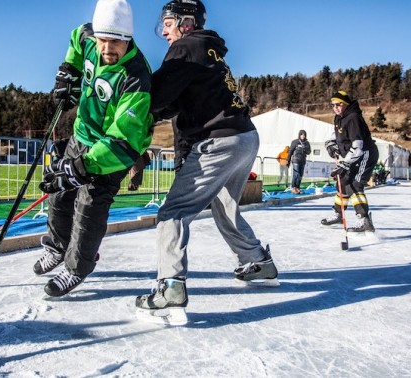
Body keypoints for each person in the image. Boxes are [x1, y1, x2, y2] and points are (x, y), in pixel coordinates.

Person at [135, 0, 278, 323]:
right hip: (244, 136)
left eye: (168, 24)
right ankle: (257, 261)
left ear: (186, 23)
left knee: (173, 211)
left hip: (219, 139)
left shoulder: (185, 48)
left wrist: (132, 105)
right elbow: (179, 100)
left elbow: (158, 97)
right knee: (225, 205)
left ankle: (170, 284)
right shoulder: (207, 50)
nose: (165, 33)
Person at [34, 0, 153, 297]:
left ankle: (78, 267)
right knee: (60, 193)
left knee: (89, 208)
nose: (107, 49)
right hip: (81, 135)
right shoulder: (88, 37)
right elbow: (76, 39)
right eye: (102, 40)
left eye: (116, 42)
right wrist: (67, 71)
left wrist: (82, 168)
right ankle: (57, 246)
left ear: (128, 39)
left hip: (112, 152)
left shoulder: (137, 77)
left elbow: (124, 139)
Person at [321, 91, 379, 233]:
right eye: (333, 105)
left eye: (338, 104)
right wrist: (331, 144)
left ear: (345, 104)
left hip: (364, 154)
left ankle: (364, 220)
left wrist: (345, 163)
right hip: (351, 155)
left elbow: (358, 146)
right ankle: (339, 214)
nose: (335, 107)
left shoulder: (353, 118)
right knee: (342, 182)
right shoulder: (338, 117)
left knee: (355, 185)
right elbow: (335, 135)